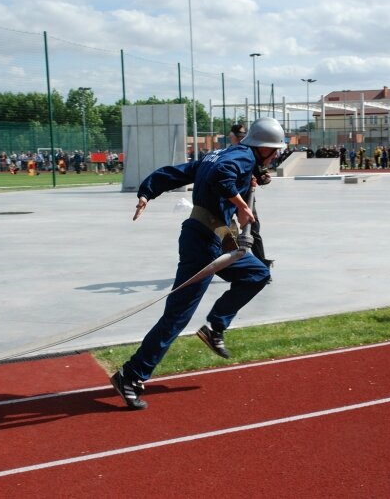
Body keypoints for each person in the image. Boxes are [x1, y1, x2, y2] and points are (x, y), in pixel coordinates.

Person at [111, 117, 285, 410]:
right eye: (275, 149)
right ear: (263, 147)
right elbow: (221, 176)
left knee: (257, 273)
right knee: (177, 316)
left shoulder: (225, 153)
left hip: (217, 234)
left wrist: (147, 191)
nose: (277, 155)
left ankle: (215, 327)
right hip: (204, 241)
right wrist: (242, 206)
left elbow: (177, 173)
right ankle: (131, 375)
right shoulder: (239, 157)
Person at [229, 123, 274, 269]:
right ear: (232, 137)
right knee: (227, 231)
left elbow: (261, 176)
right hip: (228, 198)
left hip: (246, 197)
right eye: (239, 137)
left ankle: (261, 263)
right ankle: (231, 264)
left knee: (253, 230)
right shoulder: (228, 153)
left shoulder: (250, 153)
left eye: (243, 137)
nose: (242, 139)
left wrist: (264, 179)